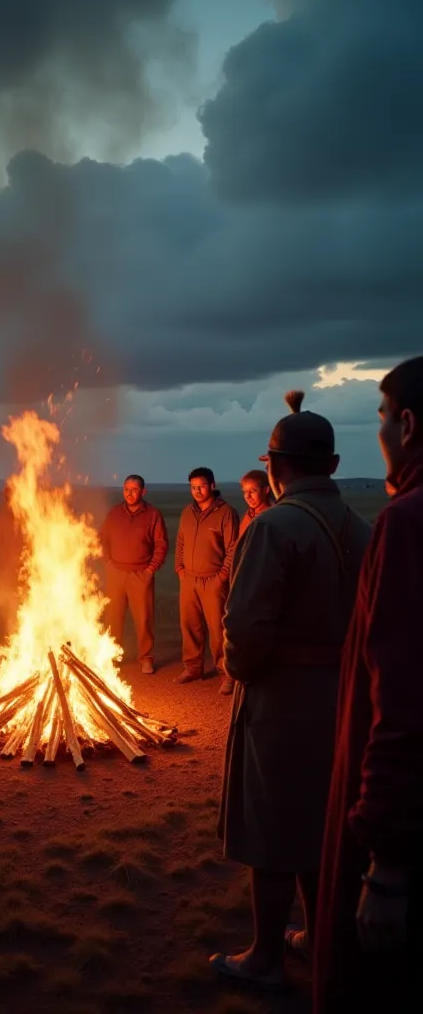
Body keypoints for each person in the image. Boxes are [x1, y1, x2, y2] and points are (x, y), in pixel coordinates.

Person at [210, 390, 371, 989]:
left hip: (283, 700)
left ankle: (267, 958)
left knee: (275, 828)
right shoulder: (363, 526)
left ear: (273, 467)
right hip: (347, 699)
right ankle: (321, 941)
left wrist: (242, 674)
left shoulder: (274, 526)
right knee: (322, 824)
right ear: (331, 466)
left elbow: (246, 630)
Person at [313, 358, 423, 1013]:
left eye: (381, 416)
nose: (378, 431)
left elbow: (404, 705)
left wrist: (387, 863)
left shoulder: (407, 524)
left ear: (408, 424)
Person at [174, 467, 239, 693]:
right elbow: (180, 541)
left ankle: (226, 673)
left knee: (218, 628)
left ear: (212, 485)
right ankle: (193, 667)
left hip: (213, 579)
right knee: (190, 625)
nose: (197, 491)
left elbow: (233, 547)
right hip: (189, 578)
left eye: (201, 486)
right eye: (193, 487)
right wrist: (180, 568)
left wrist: (222, 575)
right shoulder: (186, 512)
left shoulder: (226, 512)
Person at [99, 475, 168, 674]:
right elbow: (102, 539)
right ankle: (111, 656)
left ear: (143, 492)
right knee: (113, 617)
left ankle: (146, 658)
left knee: (144, 618)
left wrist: (150, 569)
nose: (130, 493)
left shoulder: (153, 514)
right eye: (126, 489)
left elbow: (161, 544)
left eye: (135, 489)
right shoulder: (114, 514)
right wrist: (108, 563)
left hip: (141, 574)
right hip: (116, 574)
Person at [0, 485, 26, 637]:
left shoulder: (30, 518)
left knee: (25, 611)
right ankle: (6, 646)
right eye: (10, 496)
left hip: (25, 576)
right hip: (5, 574)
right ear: (6, 498)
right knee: (6, 612)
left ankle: (24, 642)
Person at [238, 469, 274, 537]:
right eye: (245, 491)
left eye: (253, 491)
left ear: (266, 490)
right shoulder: (250, 514)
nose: (247, 496)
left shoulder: (271, 518)